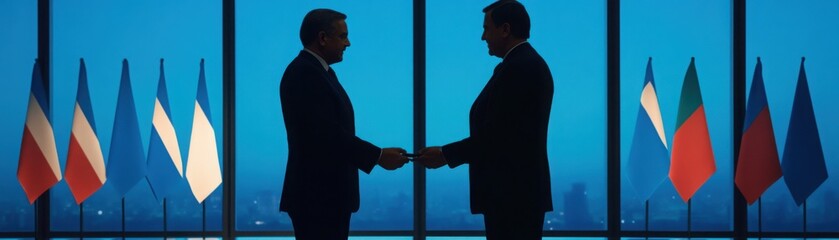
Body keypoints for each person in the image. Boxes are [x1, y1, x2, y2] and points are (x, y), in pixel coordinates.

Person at [416, 1, 554, 239]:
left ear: (505, 29)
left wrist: (446, 154)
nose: (483, 37)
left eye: (486, 28)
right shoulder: (521, 65)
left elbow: (499, 137)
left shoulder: (519, 69)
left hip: (513, 196)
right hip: (517, 194)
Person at [278, 8, 409, 239]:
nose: (348, 43)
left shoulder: (318, 72)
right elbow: (326, 135)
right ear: (322, 38)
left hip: (322, 196)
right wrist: (378, 156)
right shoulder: (305, 74)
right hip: (318, 197)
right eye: (342, 36)